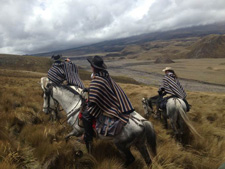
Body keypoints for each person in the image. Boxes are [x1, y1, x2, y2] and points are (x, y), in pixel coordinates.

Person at [82, 55, 135, 153]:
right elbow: (102, 90)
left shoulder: (96, 80)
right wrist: (89, 90)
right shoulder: (105, 75)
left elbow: (93, 101)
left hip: (108, 107)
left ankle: (89, 139)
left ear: (93, 67)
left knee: (85, 115)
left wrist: (89, 102)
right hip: (116, 102)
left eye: (91, 66)